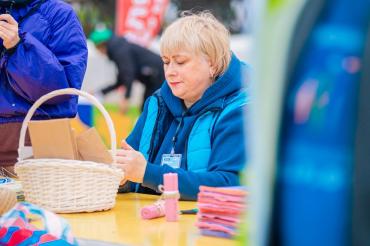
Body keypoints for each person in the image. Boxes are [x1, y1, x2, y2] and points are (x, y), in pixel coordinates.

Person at [115, 12, 248, 200]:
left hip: (201, 226)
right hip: (147, 224)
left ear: (213, 65)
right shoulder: (156, 104)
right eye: (166, 62)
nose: (170, 72)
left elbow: (228, 183)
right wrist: (121, 177)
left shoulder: (239, 109)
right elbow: (132, 170)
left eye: (180, 62)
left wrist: (148, 174)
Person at [0, 0, 88, 174]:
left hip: (41, 150)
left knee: (38, 200)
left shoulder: (59, 14)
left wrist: (18, 47)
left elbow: (61, 91)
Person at [89, 28, 165, 112]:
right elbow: (122, 79)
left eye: (97, 48)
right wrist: (100, 92)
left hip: (158, 74)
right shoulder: (119, 48)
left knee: (150, 110)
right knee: (145, 109)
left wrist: (126, 98)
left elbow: (128, 75)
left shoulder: (120, 51)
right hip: (153, 77)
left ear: (101, 45)